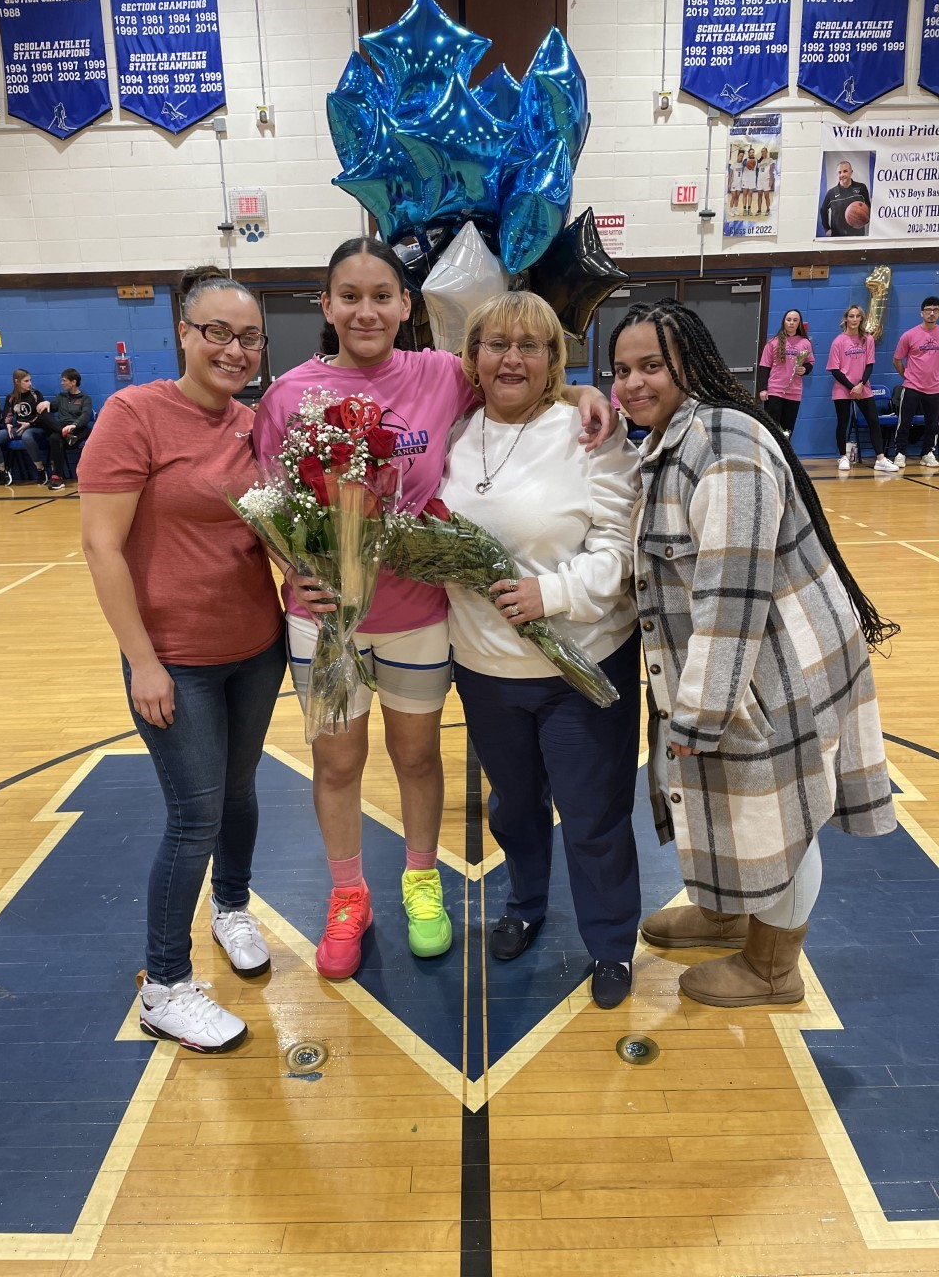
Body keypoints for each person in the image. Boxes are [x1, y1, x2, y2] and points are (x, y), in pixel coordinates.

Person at [253, 236, 613, 983]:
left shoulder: (442, 374)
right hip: (324, 622)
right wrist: (296, 566)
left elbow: (525, 380)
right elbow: (270, 506)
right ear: (325, 305)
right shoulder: (289, 393)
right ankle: (349, 894)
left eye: (381, 295)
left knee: (416, 757)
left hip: (418, 613)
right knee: (337, 760)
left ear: (406, 306)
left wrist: (587, 393)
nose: (365, 309)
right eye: (348, 295)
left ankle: (422, 883)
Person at [610, 298, 897, 1008]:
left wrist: (698, 718)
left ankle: (773, 967)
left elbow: (731, 602)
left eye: (653, 365)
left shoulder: (725, 446)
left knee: (782, 818)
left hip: (777, 669)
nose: (633, 382)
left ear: (695, 363)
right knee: (735, 806)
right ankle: (724, 911)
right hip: (754, 658)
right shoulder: (675, 433)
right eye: (621, 369)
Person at [78, 267, 287, 1053]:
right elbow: (101, 547)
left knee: (239, 792)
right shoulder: (134, 414)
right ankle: (164, 985)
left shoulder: (252, 422)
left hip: (255, 648)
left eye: (249, 337)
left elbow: (259, 526)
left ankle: (232, 908)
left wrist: (299, 564)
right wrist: (144, 662)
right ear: (185, 335)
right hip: (177, 660)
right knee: (193, 815)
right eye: (218, 333)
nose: (235, 350)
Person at [440, 292, 642, 1009]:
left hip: (581, 664)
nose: (512, 358)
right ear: (472, 358)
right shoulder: (454, 434)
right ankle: (525, 905)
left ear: (557, 360)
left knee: (592, 816)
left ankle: (612, 942)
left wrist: (550, 594)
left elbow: (621, 555)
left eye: (531, 345)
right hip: (486, 670)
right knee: (515, 809)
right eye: (496, 344)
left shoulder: (589, 434)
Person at [827, 304, 898, 472]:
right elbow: (834, 369)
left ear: (861, 319)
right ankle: (843, 457)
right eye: (851, 316)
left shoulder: (868, 339)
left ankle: (880, 459)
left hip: (863, 387)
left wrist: (860, 385)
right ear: (846, 319)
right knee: (842, 422)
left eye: (857, 316)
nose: (854, 319)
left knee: (873, 420)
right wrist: (852, 387)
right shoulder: (838, 341)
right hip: (843, 388)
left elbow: (869, 365)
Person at [890, 296, 939, 469]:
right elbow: (896, 360)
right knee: (904, 422)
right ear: (921, 313)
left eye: (935, 310)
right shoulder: (909, 335)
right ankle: (900, 453)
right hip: (912, 386)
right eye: (928, 310)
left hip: (934, 389)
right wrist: (907, 376)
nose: (932, 313)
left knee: (933, 424)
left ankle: (927, 453)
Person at [756, 309, 814, 437]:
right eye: (789, 320)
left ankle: (784, 455)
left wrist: (805, 369)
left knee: (788, 429)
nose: (791, 323)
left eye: (795, 320)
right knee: (771, 427)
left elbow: (810, 363)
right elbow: (764, 366)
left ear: (799, 323)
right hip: (775, 390)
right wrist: (763, 389)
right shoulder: (773, 342)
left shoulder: (805, 343)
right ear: (784, 322)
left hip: (794, 392)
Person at [0, 369, 54, 488]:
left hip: (36, 427)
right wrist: (8, 424)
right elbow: (7, 414)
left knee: (27, 437)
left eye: (30, 380)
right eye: (26, 381)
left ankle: (40, 469)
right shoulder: (11, 397)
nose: (30, 383)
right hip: (19, 428)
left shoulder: (36, 394)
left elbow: (42, 416)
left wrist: (29, 424)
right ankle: (3, 472)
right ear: (17, 381)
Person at [819, 160, 871, 238]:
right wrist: (827, 229)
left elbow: (868, 208)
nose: (842, 174)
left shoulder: (861, 188)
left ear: (851, 172)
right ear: (837, 174)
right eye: (839, 172)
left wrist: (864, 220)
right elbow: (823, 210)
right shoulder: (831, 193)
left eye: (845, 171)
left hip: (857, 236)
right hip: (837, 237)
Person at [46, 367, 94, 449]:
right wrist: (45, 403)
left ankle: (67, 436)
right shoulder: (61, 397)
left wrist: (74, 425)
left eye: (64, 381)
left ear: (73, 382)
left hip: (77, 428)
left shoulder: (85, 398)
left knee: (84, 431)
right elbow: (52, 408)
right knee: (54, 438)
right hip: (62, 427)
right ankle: (57, 461)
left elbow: (86, 415)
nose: (62, 383)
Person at [755, 146, 775, 216]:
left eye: (764, 151)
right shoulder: (759, 161)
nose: (763, 152)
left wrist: (771, 179)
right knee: (759, 196)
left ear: (766, 152)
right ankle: (759, 210)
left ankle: (768, 209)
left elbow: (772, 170)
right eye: (762, 151)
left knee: (766, 196)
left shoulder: (770, 159)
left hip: (767, 180)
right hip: (760, 180)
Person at [728, 147, 746, 212]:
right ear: (737, 155)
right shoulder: (733, 164)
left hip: (739, 183)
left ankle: (735, 210)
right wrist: (729, 183)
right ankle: (731, 210)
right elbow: (730, 175)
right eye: (740, 155)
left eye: (742, 156)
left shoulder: (743, 164)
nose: (741, 157)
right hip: (734, 182)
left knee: (737, 197)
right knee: (733, 196)